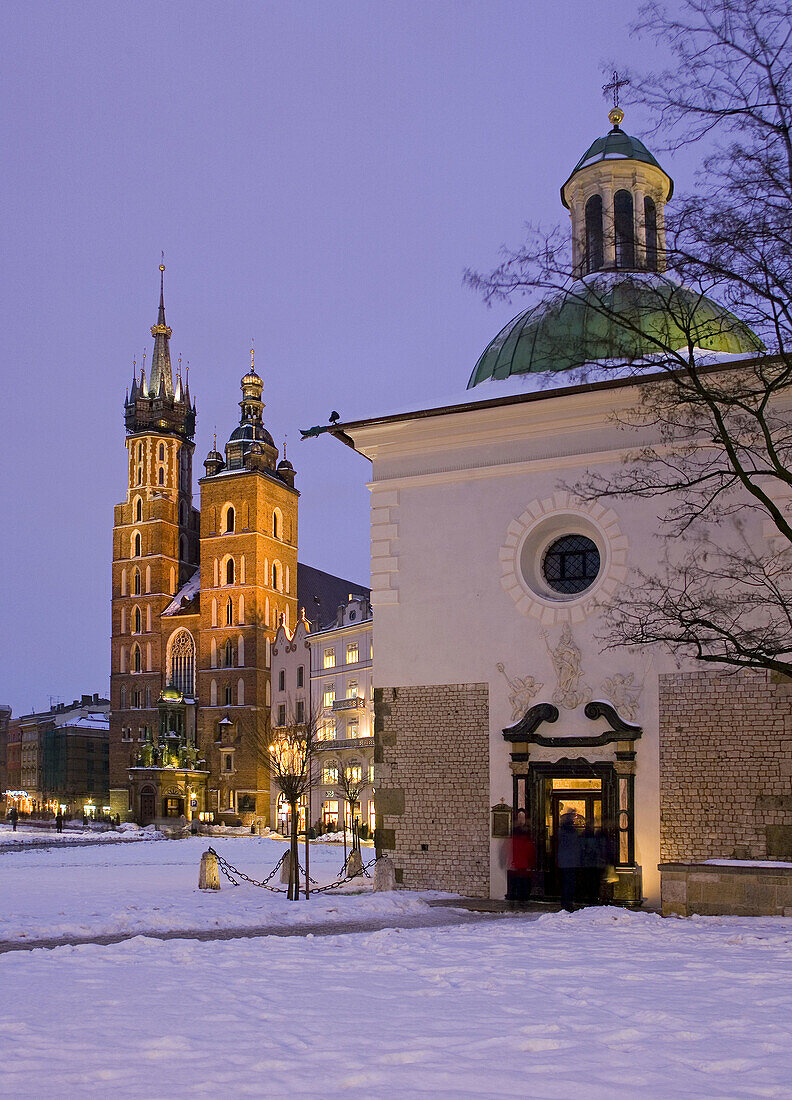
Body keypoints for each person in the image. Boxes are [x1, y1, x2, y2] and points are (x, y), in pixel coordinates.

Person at [506, 810, 536, 908]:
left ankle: (522, 900)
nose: (521, 819)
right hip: (518, 863)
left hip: (524, 863)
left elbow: (529, 849)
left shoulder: (528, 832)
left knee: (523, 884)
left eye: (522, 817)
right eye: (519, 817)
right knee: (517, 883)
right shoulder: (515, 833)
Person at [557, 807, 581, 912]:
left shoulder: (564, 829)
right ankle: (567, 903)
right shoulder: (568, 830)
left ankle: (567, 902)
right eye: (573, 816)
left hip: (567, 860)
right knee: (568, 882)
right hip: (569, 860)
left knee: (568, 882)